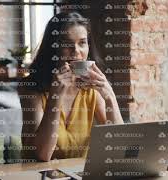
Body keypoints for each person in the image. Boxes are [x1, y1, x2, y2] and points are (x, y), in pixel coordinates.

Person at [18, 11, 124, 162]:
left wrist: (110, 96)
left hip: (78, 174)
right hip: (39, 174)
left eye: (82, 43)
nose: (76, 51)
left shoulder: (91, 89)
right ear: (53, 48)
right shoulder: (30, 88)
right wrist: (55, 97)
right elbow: (42, 154)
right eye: (66, 44)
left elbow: (118, 143)